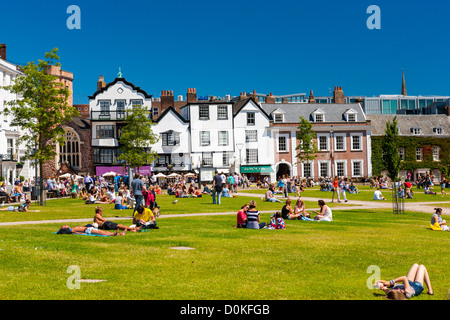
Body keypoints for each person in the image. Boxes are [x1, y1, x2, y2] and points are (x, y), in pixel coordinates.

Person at [56, 224, 126, 236]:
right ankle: (114, 234)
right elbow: (76, 232)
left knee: (102, 231)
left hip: (88, 229)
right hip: (87, 230)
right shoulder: (71, 230)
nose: (65, 224)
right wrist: (83, 234)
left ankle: (119, 234)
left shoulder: (71, 228)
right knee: (100, 232)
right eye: (64, 226)